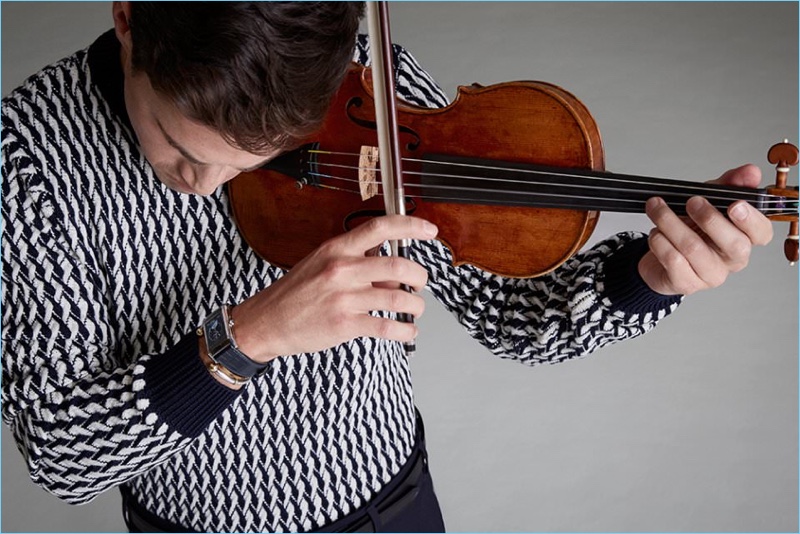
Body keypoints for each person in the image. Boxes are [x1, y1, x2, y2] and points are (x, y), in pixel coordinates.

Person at [1, 2, 774, 532]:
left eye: (256, 158)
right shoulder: (26, 155)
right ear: (129, 16)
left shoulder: (362, 79)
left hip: (396, 510)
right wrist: (252, 334)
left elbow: (518, 320)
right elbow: (65, 455)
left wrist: (649, 275)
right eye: (179, 149)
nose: (206, 185)